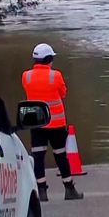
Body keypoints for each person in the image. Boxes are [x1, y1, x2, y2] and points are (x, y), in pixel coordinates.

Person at [21, 43, 84, 202]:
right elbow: (63, 93)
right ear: (49, 59)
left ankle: (42, 191)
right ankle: (69, 189)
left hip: (36, 124)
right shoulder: (55, 76)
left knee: (38, 157)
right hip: (56, 124)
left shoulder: (26, 76)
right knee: (61, 156)